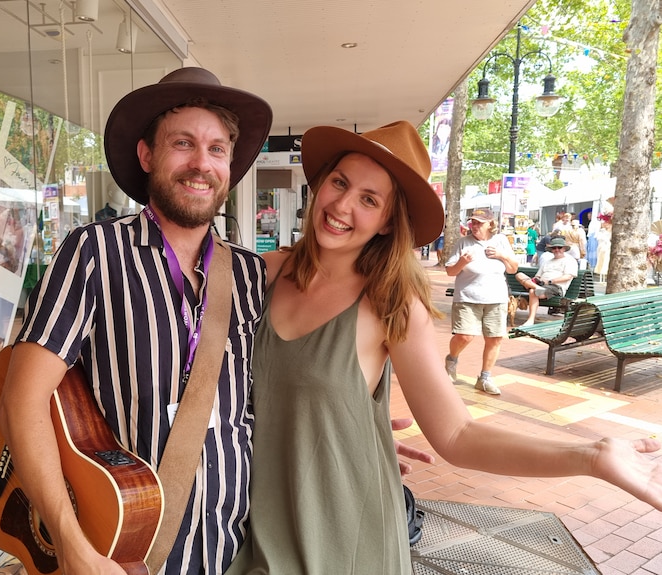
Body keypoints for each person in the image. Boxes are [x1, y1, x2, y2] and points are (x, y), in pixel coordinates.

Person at [226, 122, 662, 575]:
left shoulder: (390, 302)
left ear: (389, 221)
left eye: (369, 199)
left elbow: (457, 436)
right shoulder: (262, 274)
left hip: (342, 535)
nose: (341, 204)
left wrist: (590, 456)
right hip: (249, 524)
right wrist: (341, 428)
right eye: (340, 183)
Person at [0, 67, 273, 575]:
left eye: (216, 149)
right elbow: (20, 400)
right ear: (147, 155)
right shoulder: (93, 253)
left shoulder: (250, 275)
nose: (201, 163)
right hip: (124, 555)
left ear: (230, 166)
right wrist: (72, 545)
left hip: (236, 551)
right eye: (183, 143)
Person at [444, 207, 518, 395]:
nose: (474, 225)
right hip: (468, 297)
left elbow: (513, 269)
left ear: (490, 224)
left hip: (497, 298)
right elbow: (451, 271)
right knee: (465, 336)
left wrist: (502, 255)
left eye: (479, 222)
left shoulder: (500, 240)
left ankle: (485, 378)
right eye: (473, 222)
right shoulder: (463, 243)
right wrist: (462, 262)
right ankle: (452, 360)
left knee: (494, 339)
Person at [514, 236, 578, 326]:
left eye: (559, 247)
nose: (556, 250)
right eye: (554, 248)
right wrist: (537, 280)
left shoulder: (569, 261)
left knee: (533, 291)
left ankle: (530, 320)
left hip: (555, 287)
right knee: (519, 274)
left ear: (564, 249)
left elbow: (568, 276)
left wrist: (549, 281)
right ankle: (536, 287)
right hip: (540, 285)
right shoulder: (547, 261)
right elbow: (538, 275)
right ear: (551, 249)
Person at [594, 213, 612, 282]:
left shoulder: (610, 230)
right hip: (601, 247)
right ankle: (602, 278)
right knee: (601, 260)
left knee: (606, 261)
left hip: (607, 246)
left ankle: (605, 277)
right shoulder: (601, 231)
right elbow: (598, 238)